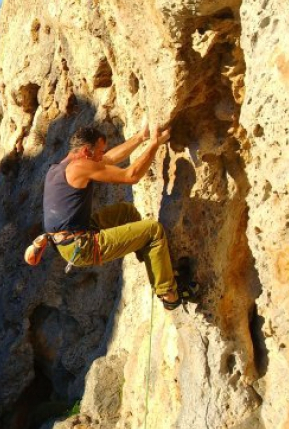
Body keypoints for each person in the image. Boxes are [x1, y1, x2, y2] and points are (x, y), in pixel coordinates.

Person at [34, 124, 189, 309]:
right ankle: (169, 295)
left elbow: (108, 159)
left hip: (71, 236)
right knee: (153, 231)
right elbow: (131, 176)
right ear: (85, 151)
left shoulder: (57, 168)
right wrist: (154, 144)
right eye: (98, 152)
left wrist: (141, 137)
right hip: (82, 245)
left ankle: (156, 263)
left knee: (126, 212)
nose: (101, 157)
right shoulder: (79, 167)